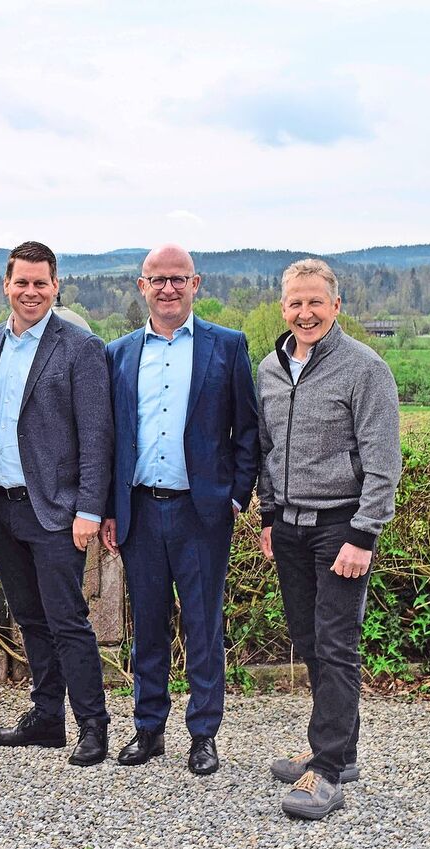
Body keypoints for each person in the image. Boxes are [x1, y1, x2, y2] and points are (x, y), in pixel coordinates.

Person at [100, 244, 259, 776]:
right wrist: (110, 508)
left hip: (202, 514)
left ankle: (203, 734)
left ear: (196, 283)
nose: (168, 288)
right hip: (141, 511)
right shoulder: (119, 353)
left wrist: (235, 496)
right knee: (147, 625)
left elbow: (248, 431)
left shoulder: (227, 346)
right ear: (141, 286)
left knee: (202, 626)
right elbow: (111, 439)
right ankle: (148, 729)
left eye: (178, 278)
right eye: (158, 279)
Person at [256, 258, 401, 820]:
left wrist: (364, 534)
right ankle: (339, 749)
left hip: (343, 526)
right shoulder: (269, 369)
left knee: (337, 643)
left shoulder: (365, 369)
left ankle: (328, 771)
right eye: (296, 302)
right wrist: (269, 516)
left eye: (316, 301)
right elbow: (267, 450)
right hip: (289, 527)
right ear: (283, 308)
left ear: (336, 305)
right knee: (310, 639)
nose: (306, 312)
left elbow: (383, 461)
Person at [0, 241, 114, 766]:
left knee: (67, 620)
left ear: (56, 286)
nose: (31, 291)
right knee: (29, 618)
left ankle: (93, 725)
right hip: (0, 505)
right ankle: (47, 718)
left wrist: (88, 509)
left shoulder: (80, 347)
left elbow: (96, 435)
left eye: (41, 283)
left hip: (56, 510)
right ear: (6, 285)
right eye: (22, 282)